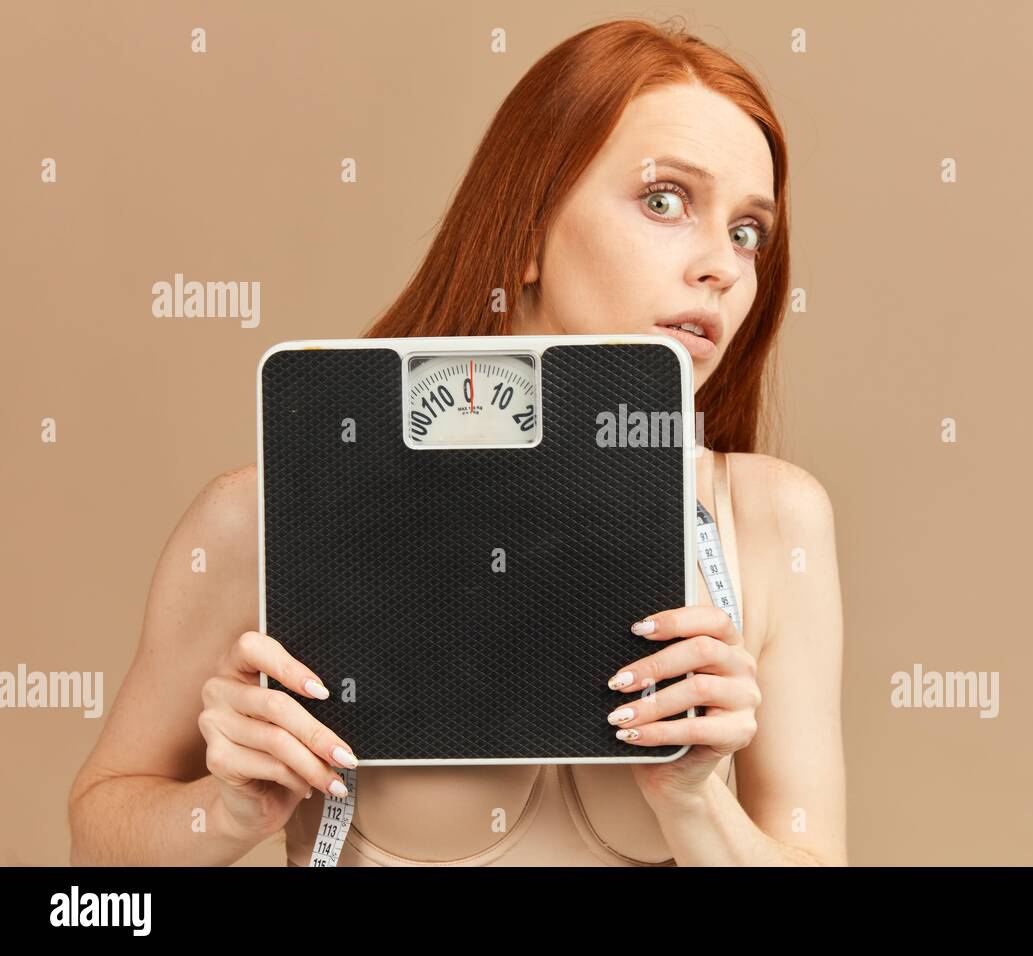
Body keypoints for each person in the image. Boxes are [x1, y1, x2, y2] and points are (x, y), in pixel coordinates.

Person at [68, 16, 846, 866]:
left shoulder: (770, 522)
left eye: (748, 231)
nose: (724, 266)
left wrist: (695, 805)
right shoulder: (267, 514)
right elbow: (97, 865)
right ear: (526, 233)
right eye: (665, 200)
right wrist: (228, 810)